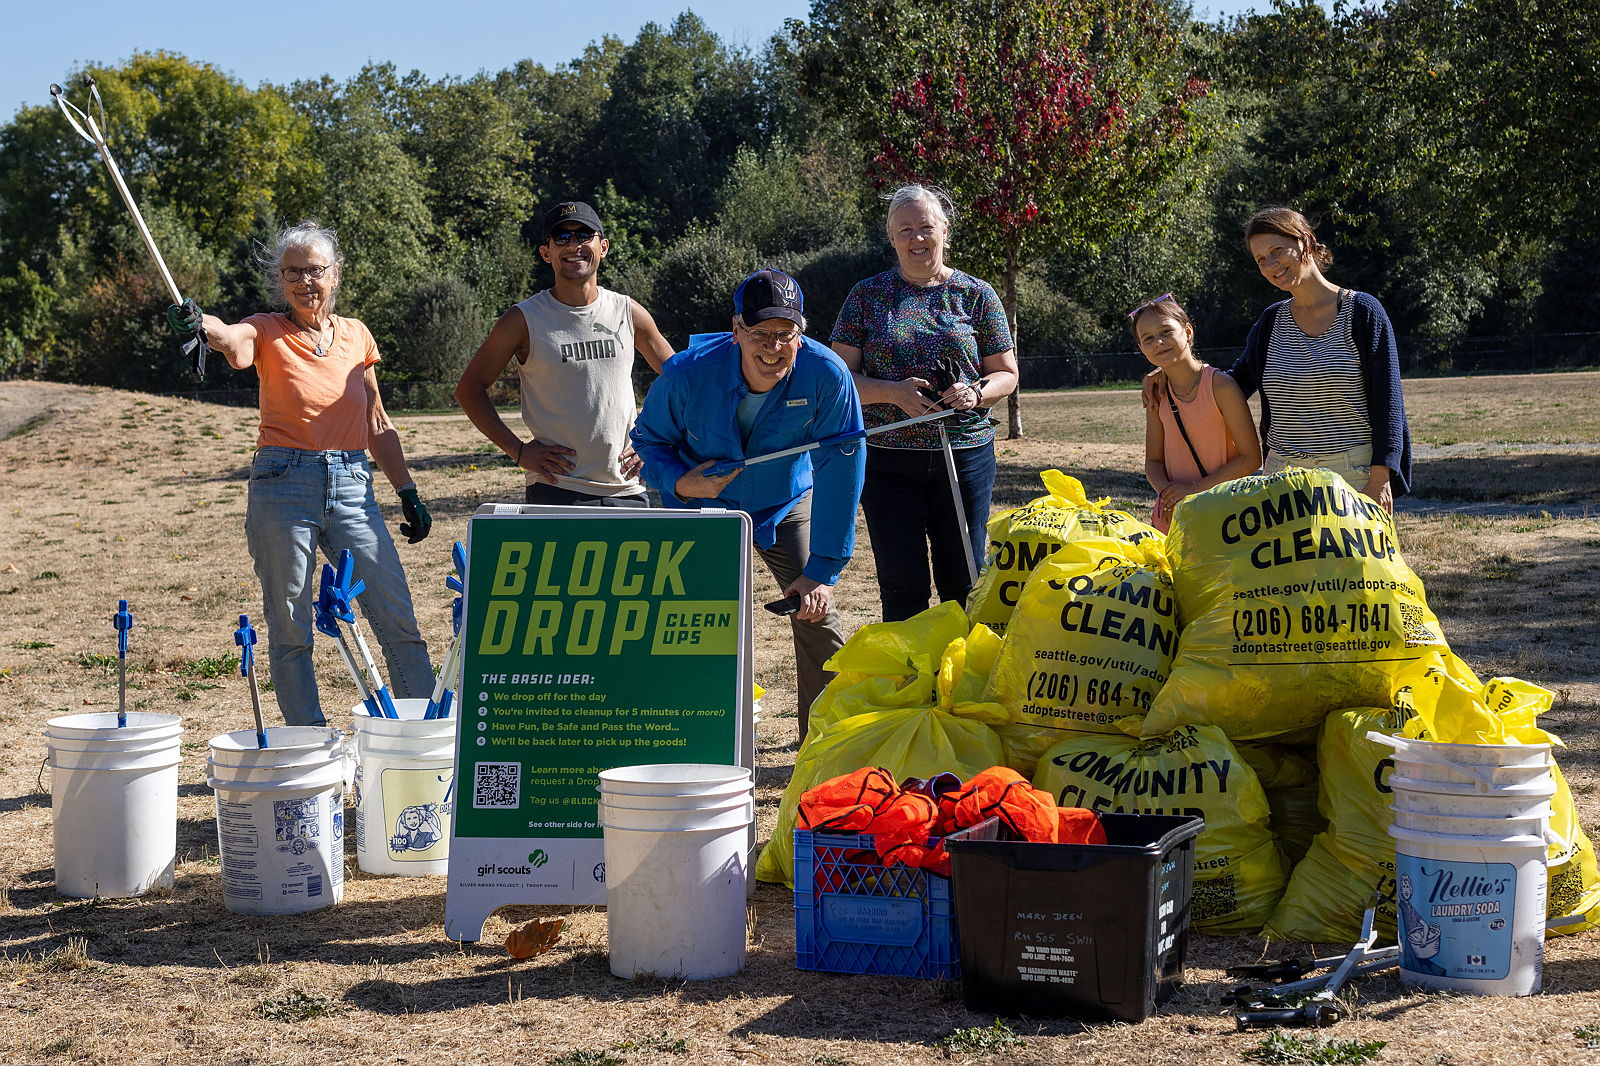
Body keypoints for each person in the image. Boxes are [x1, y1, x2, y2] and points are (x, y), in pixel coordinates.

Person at [165, 221, 433, 727]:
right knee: (291, 626)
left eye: (315, 271)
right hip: (283, 484)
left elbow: (376, 421)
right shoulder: (267, 330)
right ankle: (309, 746)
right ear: (280, 279)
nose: (305, 282)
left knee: (396, 615)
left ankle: (419, 736)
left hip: (354, 485)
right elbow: (233, 342)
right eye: (293, 273)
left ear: (335, 274)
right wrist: (203, 325)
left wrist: (408, 490)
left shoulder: (357, 335)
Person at [631, 269, 865, 733]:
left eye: (786, 333)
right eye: (760, 333)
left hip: (785, 502)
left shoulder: (828, 374)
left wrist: (823, 569)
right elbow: (648, 443)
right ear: (737, 330)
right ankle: (683, 734)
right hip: (700, 510)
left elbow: (843, 464)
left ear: (802, 332)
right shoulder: (685, 373)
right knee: (684, 623)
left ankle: (829, 743)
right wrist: (680, 484)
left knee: (818, 613)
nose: (773, 347)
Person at [830, 184, 1019, 622]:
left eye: (926, 227)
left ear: (945, 231)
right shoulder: (866, 296)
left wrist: (975, 392)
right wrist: (892, 394)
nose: (917, 238)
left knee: (965, 580)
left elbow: (1007, 374)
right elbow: (837, 380)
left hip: (965, 456)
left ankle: (962, 679)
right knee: (902, 586)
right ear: (892, 238)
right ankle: (910, 683)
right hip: (888, 461)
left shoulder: (978, 294)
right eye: (906, 230)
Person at [1148, 207, 1413, 511]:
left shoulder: (1362, 312)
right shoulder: (1272, 321)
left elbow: (1388, 401)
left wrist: (1381, 477)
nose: (1270, 265)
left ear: (1304, 241)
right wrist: (1170, 372)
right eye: (1261, 259)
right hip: (1281, 478)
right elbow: (1231, 385)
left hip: (1353, 474)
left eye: (1277, 251)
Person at [455, 200, 674, 506]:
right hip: (556, 489)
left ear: (604, 246)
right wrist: (519, 451)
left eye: (584, 235)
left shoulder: (628, 311)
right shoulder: (523, 319)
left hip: (628, 488)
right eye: (562, 237)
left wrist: (657, 438)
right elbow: (469, 389)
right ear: (546, 252)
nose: (574, 245)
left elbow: (680, 379)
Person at [1132, 294, 1262, 532]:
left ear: (1188, 332)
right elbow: (1153, 462)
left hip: (1226, 517)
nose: (1158, 342)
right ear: (1141, 349)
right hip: (1175, 521)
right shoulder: (1156, 393)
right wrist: (1167, 494)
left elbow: (1251, 458)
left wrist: (1193, 490)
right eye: (1148, 338)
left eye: (1166, 331)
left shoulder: (1221, 386)